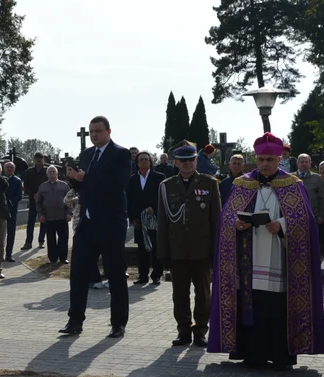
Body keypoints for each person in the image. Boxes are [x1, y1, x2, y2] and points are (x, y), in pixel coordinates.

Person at [208, 133, 324, 368]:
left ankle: (281, 355)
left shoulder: (293, 185)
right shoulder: (242, 184)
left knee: (274, 308)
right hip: (246, 261)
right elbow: (227, 217)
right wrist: (236, 224)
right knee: (249, 305)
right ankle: (252, 355)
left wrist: (281, 225)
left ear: (279, 159)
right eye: (261, 159)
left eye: (269, 160)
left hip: (278, 260)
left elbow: (304, 221)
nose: (264, 164)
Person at [60, 116, 131, 338]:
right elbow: (84, 187)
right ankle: (75, 321)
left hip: (110, 223)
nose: (94, 135)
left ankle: (118, 323)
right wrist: (73, 178)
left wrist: (86, 178)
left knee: (115, 274)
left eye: (98, 131)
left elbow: (116, 184)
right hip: (87, 223)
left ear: (109, 131)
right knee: (79, 274)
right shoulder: (87, 154)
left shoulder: (120, 154)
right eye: (91, 132)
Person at [157, 144, 220, 346]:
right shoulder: (166, 186)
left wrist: (215, 251)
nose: (187, 163)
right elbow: (162, 222)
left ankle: (200, 330)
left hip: (201, 250)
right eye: (182, 160)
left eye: (191, 160)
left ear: (196, 161)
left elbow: (216, 219)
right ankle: (183, 330)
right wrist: (163, 252)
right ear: (176, 162)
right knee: (180, 294)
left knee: (203, 294)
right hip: (177, 250)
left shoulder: (209, 183)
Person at [126, 151, 164, 285]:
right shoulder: (132, 179)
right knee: (142, 248)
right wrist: (133, 218)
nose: (143, 161)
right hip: (139, 220)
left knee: (156, 247)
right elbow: (129, 201)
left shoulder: (159, 177)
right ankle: (142, 276)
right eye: (140, 160)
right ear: (137, 163)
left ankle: (157, 275)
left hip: (155, 219)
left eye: (146, 159)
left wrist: (154, 208)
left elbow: (163, 197)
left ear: (150, 162)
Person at [36, 165, 71, 264]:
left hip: (62, 217)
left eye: (53, 172)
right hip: (48, 217)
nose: (52, 173)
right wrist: (41, 215)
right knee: (51, 239)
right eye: (50, 172)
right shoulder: (42, 186)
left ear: (57, 173)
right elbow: (38, 202)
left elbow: (70, 201)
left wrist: (69, 213)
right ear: (47, 174)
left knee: (63, 238)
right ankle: (53, 258)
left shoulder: (64, 185)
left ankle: (63, 257)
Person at [20, 153, 48, 250]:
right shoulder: (29, 172)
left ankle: (41, 241)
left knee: (43, 220)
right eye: (37, 159)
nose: (39, 161)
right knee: (31, 221)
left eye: (40, 159)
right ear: (34, 160)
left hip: (44, 200)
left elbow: (49, 184)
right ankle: (28, 242)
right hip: (33, 200)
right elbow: (26, 186)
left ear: (43, 160)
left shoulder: (46, 171)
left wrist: (41, 194)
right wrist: (32, 194)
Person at [296, 153, 324, 229]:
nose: (304, 164)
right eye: (302, 162)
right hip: (295, 217)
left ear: (310, 163)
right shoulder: (291, 177)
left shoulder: (317, 178)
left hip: (313, 216)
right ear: (297, 163)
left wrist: (322, 215)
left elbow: (323, 198)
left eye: (306, 162)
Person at [2, 161, 22, 263]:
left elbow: (19, 196)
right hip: (0, 211)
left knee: (11, 233)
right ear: (4, 169)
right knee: (0, 234)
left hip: (12, 211)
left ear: (14, 169)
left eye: (11, 167)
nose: (9, 169)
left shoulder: (17, 180)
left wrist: (10, 202)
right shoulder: (0, 179)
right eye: (7, 167)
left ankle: (8, 255)